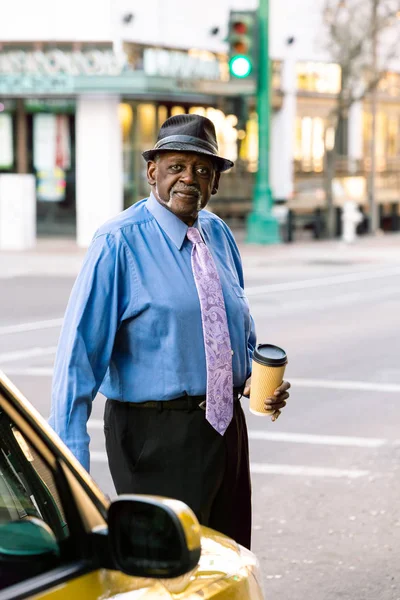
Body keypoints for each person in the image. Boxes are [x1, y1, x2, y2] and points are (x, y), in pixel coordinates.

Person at [49, 114, 290, 549]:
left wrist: (255, 380)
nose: (189, 179)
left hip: (225, 430)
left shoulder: (217, 234)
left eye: (202, 170)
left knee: (227, 561)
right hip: (153, 438)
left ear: (215, 182)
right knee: (169, 575)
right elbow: (77, 362)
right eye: (177, 166)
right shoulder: (118, 243)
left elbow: (238, 330)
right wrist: (72, 479)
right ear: (152, 172)